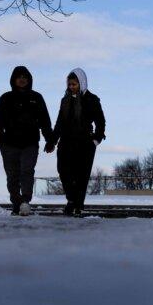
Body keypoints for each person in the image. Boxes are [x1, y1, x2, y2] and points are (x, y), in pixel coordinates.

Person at [0, 65, 54, 216]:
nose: (22, 79)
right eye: (19, 77)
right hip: (9, 144)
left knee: (27, 171)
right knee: (12, 175)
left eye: (24, 77)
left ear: (29, 80)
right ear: (14, 79)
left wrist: (50, 140)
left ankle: (25, 202)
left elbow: (45, 121)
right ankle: (17, 203)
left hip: (30, 143)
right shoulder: (6, 98)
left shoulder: (37, 98)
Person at [47, 68, 105, 217]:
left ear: (81, 83)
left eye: (74, 84)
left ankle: (78, 205)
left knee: (81, 176)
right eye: (70, 84)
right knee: (63, 170)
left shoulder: (91, 99)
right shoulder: (65, 100)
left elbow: (100, 120)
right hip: (66, 141)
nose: (71, 87)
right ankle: (71, 200)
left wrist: (96, 139)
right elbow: (59, 122)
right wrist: (52, 141)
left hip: (85, 142)